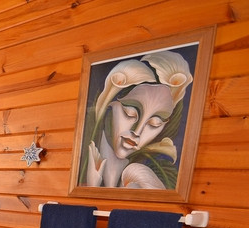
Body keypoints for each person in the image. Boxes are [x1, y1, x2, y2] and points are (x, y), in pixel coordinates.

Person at [79, 50, 194, 189]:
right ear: (111, 105)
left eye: (154, 124)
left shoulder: (137, 178)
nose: (137, 132)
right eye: (130, 114)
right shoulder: (88, 163)